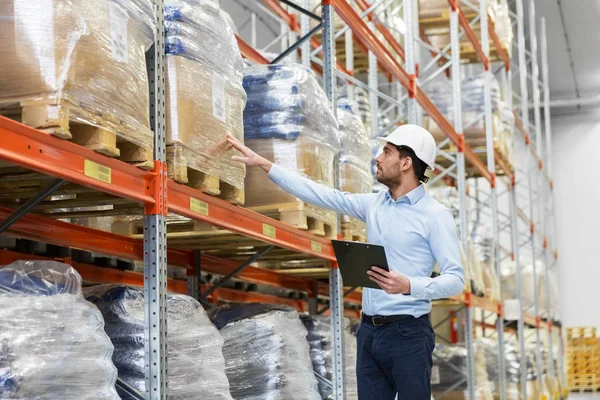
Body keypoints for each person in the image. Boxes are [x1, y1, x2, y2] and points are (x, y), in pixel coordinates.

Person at [226, 124, 464, 400]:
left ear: (406, 162)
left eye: (386, 152)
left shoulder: (436, 216)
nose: (377, 157)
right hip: (369, 332)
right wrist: (266, 165)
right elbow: (322, 195)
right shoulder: (374, 204)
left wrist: (409, 285)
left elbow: (455, 279)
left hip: (408, 333)